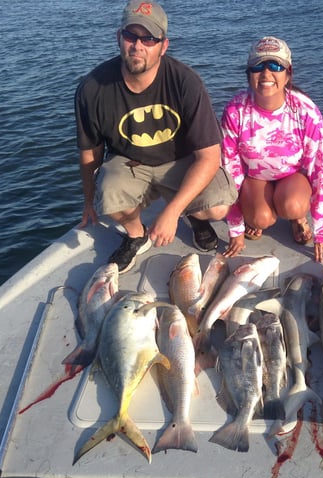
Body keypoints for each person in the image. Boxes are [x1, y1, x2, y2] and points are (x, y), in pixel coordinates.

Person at [75, 0, 237, 273]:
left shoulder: (186, 82)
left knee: (219, 207)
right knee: (109, 197)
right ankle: (137, 235)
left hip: (180, 162)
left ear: (163, 46)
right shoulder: (92, 88)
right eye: (131, 36)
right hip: (131, 164)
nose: (138, 46)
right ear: (119, 38)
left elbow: (209, 157)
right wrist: (88, 202)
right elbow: (90, 151)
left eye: (149, 38)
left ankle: (194, 217)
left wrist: (172, 212)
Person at [221, 36, 323, 262]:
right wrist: (237, 229)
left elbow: (319, 172)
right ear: (248, 73)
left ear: (288, 73)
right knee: (261, 218)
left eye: (275, 66)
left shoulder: (307, 111)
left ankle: (297, 218)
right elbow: (230, 172)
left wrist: (322, 233)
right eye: (258, 66)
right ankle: (258, 212)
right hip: (254, 178)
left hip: (291, 177)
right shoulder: (234, 111)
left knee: (292, 205)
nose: (266, 73)